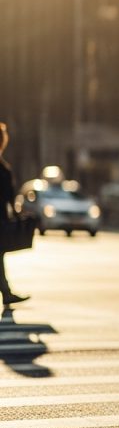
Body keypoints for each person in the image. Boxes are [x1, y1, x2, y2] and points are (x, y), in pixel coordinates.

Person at [0, 122, 30, 307]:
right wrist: (16, 213)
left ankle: (7, 292)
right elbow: (9, 194)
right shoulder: (2, 168)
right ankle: (7, 292)